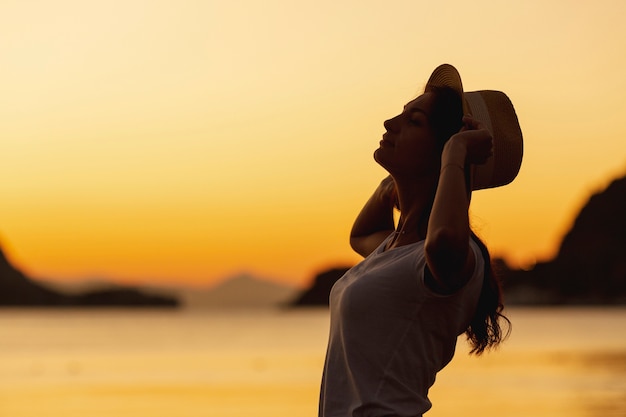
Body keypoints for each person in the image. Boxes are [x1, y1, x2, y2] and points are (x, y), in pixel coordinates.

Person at [319, 64, 523, 417]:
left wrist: (456, 154)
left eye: (413, 121)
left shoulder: (455, 255)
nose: (389, 124)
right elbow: (361, 235)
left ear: (443, 153)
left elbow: (442, 239)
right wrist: (391, 188)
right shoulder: (396, 249)